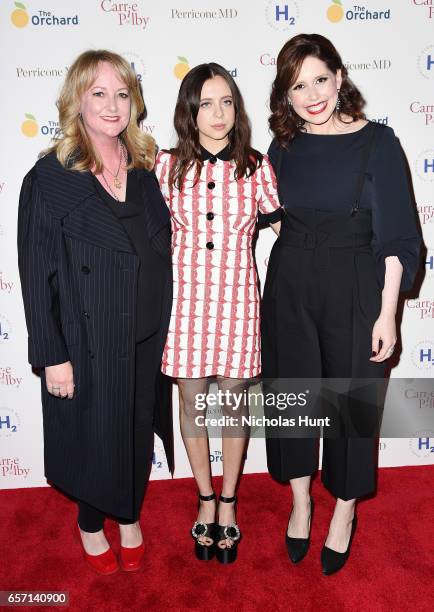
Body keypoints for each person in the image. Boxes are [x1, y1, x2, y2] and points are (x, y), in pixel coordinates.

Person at [261, 34, 421, 575]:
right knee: (294, 396)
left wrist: (387, 312)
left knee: (352, 404)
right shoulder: (281, 148)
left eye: (320, 80)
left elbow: (398, 237)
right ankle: (302, 501)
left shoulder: (378, 143)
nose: (312, 95)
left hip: (357, 283)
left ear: (340, 76)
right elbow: (254, 212)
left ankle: (345, 511)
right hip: (290, 283)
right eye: (297, 85)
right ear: (285, 93)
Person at [17, 50, 173, 575]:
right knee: (95, 432)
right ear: (76, 102)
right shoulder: (50, 178)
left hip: (147, 334)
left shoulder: (146, 172)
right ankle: (90, 522)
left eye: (122, 93)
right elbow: (36, 277)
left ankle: (127, 513)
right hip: (87, 338)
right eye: (99, 93)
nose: (112, 105)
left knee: (133, 429)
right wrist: (52, 355)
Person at [155, 63, 281, 564]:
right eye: (206, 103)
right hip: (184, 305)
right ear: (190, 111)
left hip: (237, 304)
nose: (218, 113)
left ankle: (228, 503)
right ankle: (203, 497)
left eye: (226, 101)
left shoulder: (257, 167)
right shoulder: (165, 168)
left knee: (231, 407)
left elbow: (289, 236)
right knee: (191, 404)